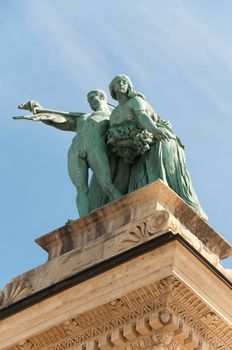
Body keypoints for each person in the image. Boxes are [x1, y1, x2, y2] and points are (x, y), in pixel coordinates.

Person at [107, 74, 207, 220]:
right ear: (113, 88)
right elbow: (114, 136)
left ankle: (172, 200)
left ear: (129, 87)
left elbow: (142, 117)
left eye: (124, 82)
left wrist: (153, 130)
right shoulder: (115, 113)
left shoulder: (136, 101)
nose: (121, 84)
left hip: (158, 137)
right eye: (118, 82)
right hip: (137, 147)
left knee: (159, 160)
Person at [16, 90, 122, 217]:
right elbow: (62, 121)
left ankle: (126, 208)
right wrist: (39, 110)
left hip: (95, 146)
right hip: (76, 148)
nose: (90, 102)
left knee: (106, 184)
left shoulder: (113, 116)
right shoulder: (83, 117)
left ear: (101, 97)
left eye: (92, 98)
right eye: (88, 101)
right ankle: (84, 220)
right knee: (81, 189)